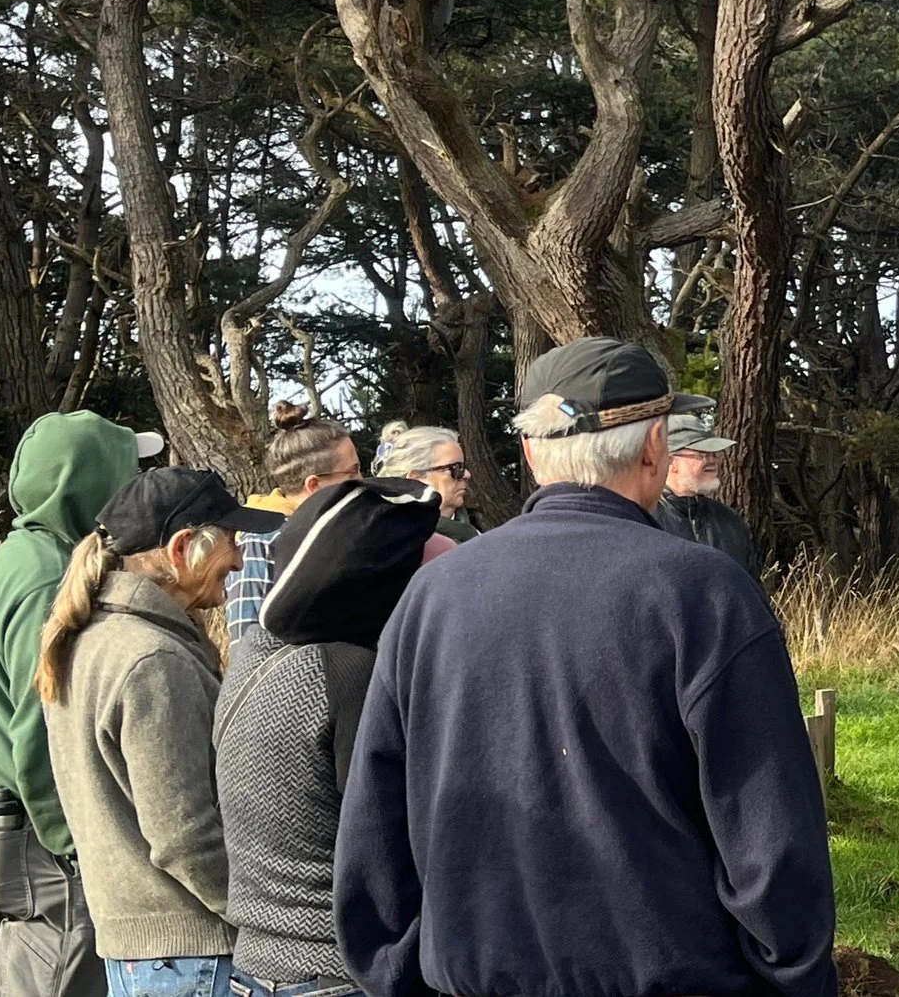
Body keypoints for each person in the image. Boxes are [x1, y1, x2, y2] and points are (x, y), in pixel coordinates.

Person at [333, 337, 836, 997]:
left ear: (533, 451)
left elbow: (374, 832)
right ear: (654, 448)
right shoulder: (704, 594)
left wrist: (402, 977)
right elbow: (772, 846)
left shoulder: (432, 597)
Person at [38, 468, 283, 997]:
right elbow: (182, 835)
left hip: (149, 955)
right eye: (232, 543)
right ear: (180, 550)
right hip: (191, 957)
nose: (240, 560)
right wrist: (267, 918)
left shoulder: (97, 638)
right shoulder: (152, 659)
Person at [0, 413, 163, 997]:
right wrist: (81, 851)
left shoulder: (23, 556)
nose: (134, 487)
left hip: (24, 835)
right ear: (89, 483)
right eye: (127, 472)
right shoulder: (47, 578)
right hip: (45, 841)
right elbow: (40, 731)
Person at [217, 477, 442, 997]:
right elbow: (388, 840)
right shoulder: (344, 674)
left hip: (255, 966)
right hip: (338, 968)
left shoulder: (255, 653)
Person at [225, 404, 363, 642]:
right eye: (353, 473)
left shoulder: (341, 531)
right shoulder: (260, 540)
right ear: (314, 485)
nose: (362, 480)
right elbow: (244, 642)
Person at [652, 405, 759, 579]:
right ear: (670, 461)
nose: (712, 461)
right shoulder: (642, 520)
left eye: (714, 453)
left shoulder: (729, 520)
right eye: (702, 454)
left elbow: (753, 594)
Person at [369, 423, 477, 542]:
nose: (467, 475)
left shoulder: (472, 534)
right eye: (455, 468)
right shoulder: (393, 542)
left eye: (463, 466)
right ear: (415, 479)